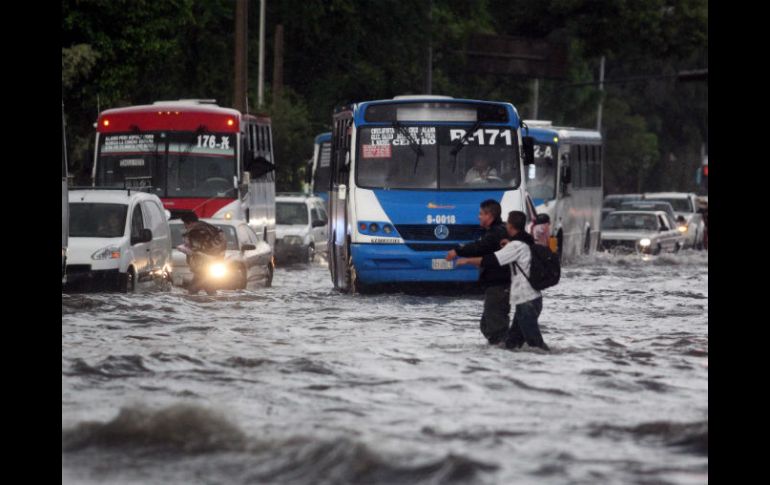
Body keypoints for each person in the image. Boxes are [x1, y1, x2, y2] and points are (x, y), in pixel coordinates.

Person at [456, 210, 549, 351]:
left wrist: (466, 260)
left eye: (507, 223)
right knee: (512, 344)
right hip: (530, 299)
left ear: (510, 226)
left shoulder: (515, 246)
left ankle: (551, 365)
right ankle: (513, 366)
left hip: (527, 301)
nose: (506, 226)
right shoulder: (524, 242)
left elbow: (491, 260)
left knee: (535, 344)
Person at [446, 200, 511, 345]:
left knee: (495, 328)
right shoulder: (496, 231)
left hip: (499, 286)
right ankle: (504, 349)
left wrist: (458, 251)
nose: (478, 217)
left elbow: (479, 247)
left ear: (490, 215)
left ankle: (507, 353)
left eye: (481, 214)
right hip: (496, 286)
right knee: (486, 325)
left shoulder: (497, 232)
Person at [180, 212, 227, 295]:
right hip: (214, 262)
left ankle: (193, 306)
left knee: (192, 291)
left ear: (189, 222)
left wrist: (184, 248)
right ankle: (212, 304)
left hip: (203, 266)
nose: (185, 226)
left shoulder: (195, 232)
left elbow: (195, 250)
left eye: (185, 224)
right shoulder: (211, 228)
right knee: (209, 289)